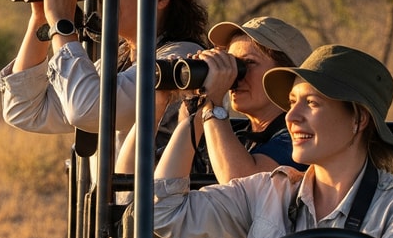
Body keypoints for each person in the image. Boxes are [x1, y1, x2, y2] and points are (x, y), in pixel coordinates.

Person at [151, 44, 393, 238]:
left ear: (359, 118)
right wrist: (200, 107)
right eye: (292, 103)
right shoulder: (267, 191)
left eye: (312, 103)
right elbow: (163, 212)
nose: (291, 116)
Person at [0, 0, 208, 144]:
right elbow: (24, 111)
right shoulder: (122, 60)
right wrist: (41, 17)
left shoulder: (181, 60)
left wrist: (62, 25)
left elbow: (86, 110)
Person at [117, 15, 312, 181]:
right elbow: (128, 179)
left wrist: (212, 105)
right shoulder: (230, 133)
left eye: (248, 63)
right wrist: (160, 103)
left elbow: (241, 185)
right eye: (230, 62)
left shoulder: (300, 137)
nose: (234, 74)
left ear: (285, 75)